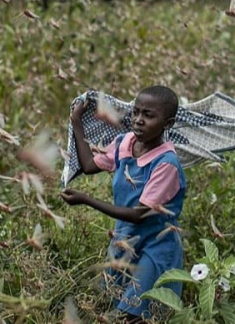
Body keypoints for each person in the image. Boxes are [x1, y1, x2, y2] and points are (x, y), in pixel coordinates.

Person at [60, 85, 186, 323]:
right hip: (125, 240)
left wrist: (87, 200)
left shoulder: (166, 164)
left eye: (148, 115)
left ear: (167, 124)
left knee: (135, 313)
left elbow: (139, 214)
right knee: (112, 305)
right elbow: (88, 165)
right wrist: (76, 121)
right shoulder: (125, 143)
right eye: (136, 112)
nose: (138, 120)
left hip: (156, 246)